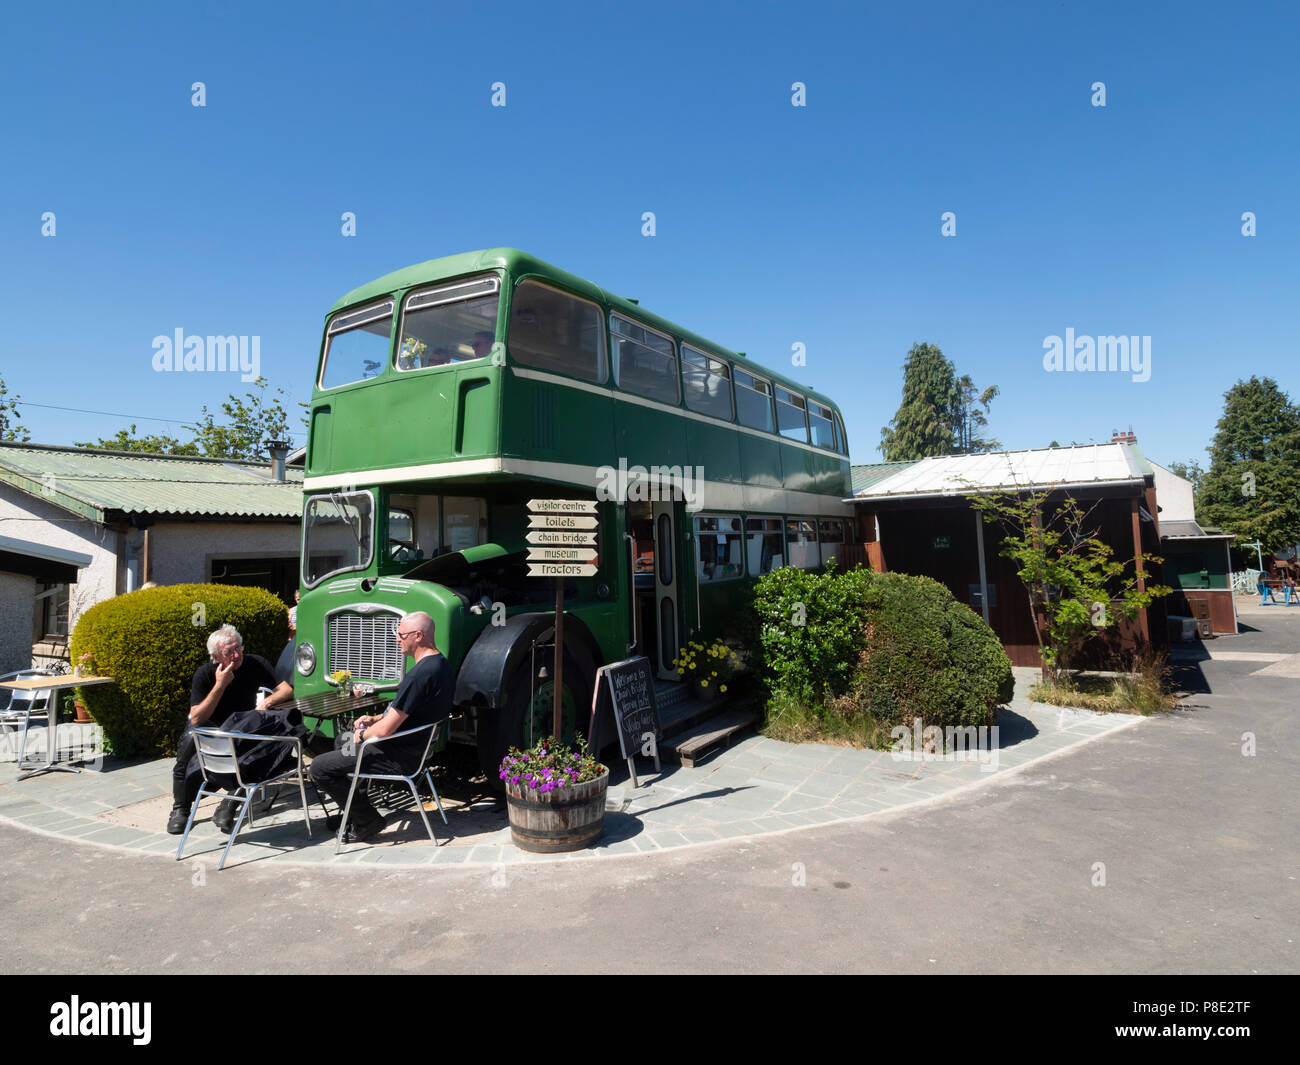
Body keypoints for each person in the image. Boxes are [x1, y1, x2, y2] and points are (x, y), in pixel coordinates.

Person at [308, 611, 454, 842]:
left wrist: (364, 734)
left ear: (418, 636)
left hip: (398, 757)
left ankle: (367, 821)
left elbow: (386, 732)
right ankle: (356, 811)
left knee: (319, 768)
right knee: (341, 742)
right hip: (413, 748)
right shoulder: (440, 664)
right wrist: (375, 719)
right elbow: (407, 713)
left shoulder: (420, 675)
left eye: (400, 634)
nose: (397, 639)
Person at [166, 625, 295, 834]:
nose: (236, 655)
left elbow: (287, 690)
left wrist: (269, 700)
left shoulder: (255, 663)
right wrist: (220, 685)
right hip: (211, 725)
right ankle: (180, 809)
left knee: (255, 750)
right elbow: (197, 718)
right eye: (229, 652)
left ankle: (229, 804)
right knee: (190, 739)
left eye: (239, 649)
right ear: (216, 656)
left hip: (242, 725)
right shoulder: (205, 674)